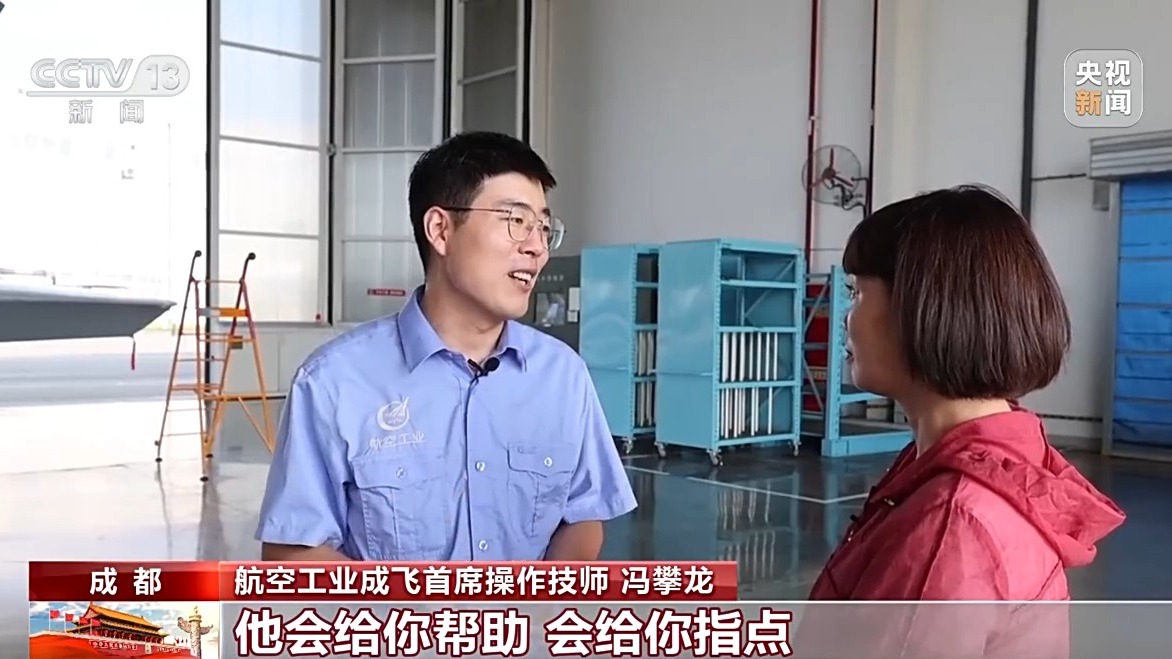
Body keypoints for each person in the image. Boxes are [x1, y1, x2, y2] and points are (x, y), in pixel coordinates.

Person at [255, 131, 637, 562]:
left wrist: (535, 600)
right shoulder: (333, 382)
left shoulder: (563, 375)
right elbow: (293, 550)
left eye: (544, 227)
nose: (536, 247)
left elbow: (583, 515)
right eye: (516, 221)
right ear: (440, 230)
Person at [801, 186, 1125, 656]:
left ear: (921, 309)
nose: (845, 320)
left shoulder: (951, 527)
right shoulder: (990, 464)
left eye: (856, 293)